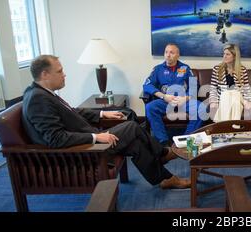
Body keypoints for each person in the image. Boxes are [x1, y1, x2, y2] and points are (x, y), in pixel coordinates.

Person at [22, 55, 190, 189]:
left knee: (135, 143)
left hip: (88, 143)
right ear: (45, 74)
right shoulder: (38, 99)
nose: (64, 74)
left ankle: (166, 179)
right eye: (59, 71)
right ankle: (162, 154)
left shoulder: (43, 93)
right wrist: (96, 138)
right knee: (131, 126)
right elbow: (56, 139)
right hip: (81, 153)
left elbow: (72, 112)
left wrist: (104, 113)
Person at [143, 43, 205, 145]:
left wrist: (185, 98)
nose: (168, 55)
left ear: (178, 55)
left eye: (171, 52)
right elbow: (147, 85)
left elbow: (194, 86)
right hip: (166, 101)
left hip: (183, 101)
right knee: (150, 107)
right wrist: (163, 96)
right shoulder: (158, 69)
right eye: (166, 52)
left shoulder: (185, 68)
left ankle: (185, 139)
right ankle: (163, 140)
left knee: (201, 108)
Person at [209, 44, 251, 122]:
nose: (224, 56)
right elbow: (213, 87)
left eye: (228, 54)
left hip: (239, 97)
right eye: (224, 54)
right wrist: (213, 101)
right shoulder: (217, 69)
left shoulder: (242, 70)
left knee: (232, 94)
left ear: (235, 56)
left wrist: (248, 101)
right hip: (223, 98)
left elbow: (246, 87)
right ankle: (234, 129)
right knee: (231, 99)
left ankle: (221, 128)